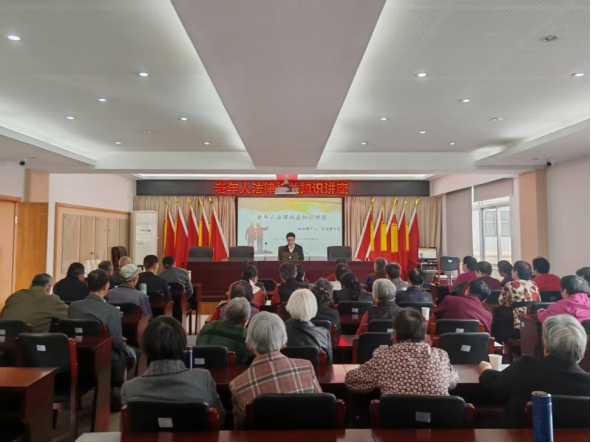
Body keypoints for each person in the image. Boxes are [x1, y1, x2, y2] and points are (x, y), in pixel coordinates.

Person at [478, 314, 589, 428]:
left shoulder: (526, 367)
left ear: (546, 346)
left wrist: (485, 369)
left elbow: (497, 386)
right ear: (582, 349)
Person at [121, 316, 225, 425]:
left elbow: (125, 430)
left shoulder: (129, 389)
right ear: (183, 345)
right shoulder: (203, 379)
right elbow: (219, 420)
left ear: (145, 347)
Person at [229, 312, 322, 429]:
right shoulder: (307, 368)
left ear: (249, 344)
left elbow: (240, 429)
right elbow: (321, 407)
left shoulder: (237, 386)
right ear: (283, 343)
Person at [346, 309, 458, 396]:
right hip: (438, 418)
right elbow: (453, 381)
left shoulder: (384, 357)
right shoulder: (440, 356)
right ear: (424, 337)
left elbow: (351, 380)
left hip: (396, 418)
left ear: (394, 335)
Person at [69, 269, 137, 407]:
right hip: (105, 357)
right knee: (134, 353)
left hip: (77, 356)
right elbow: (117, 344)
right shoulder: (111, 310)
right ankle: (116, 394)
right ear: (106, 286)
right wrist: (120, 341)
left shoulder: (73, 306)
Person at [196, 298, 255, 365]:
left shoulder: (207, 327)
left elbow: (198, 344)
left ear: (225, 312)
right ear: (245, 321)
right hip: (233, 371)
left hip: (202, 368)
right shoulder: (246, 337)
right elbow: (253, 356)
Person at [1, 274, 68, 332]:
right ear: (49, 288)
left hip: (4, 339)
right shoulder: (51, 299)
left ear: (30, 286)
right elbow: (70, 315)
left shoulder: (14, 296)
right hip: (30, 341)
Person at [285, 289, 333, 363]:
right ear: (313, 307)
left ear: (289, 305)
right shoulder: (324, 334)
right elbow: (329, 364)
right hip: (315, 370)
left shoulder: (278, 332)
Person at [498, 260, 540, 331]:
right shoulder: (534, 284)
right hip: (532, 321)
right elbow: (539, 301)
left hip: (517, 320)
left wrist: (511, 303)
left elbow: (501, 301)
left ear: (516, 272)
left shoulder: (511, 284)